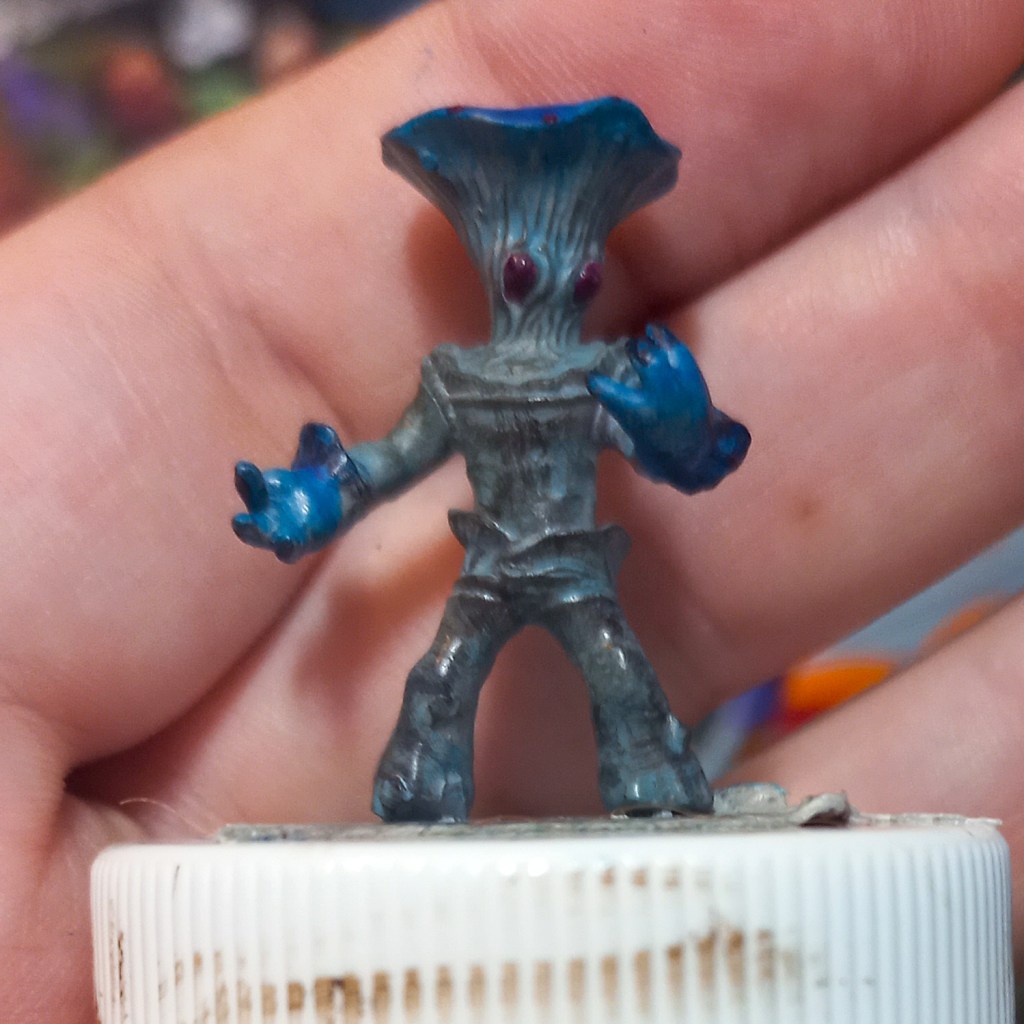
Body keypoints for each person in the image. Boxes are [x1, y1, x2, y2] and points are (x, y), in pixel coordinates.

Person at [1, 1, 1022, 1019]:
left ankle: (652, 783)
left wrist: (682, 423)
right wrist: (312, 500)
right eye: (531, 264)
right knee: (442, 680)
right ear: (500, 263)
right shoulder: (458, 379)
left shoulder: (603, 373)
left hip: (574, 562)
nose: (551, 284)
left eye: (575, 269)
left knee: (621, 681)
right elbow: (393, 461)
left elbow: (684, 460)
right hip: (490, 561)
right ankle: (423, 787)